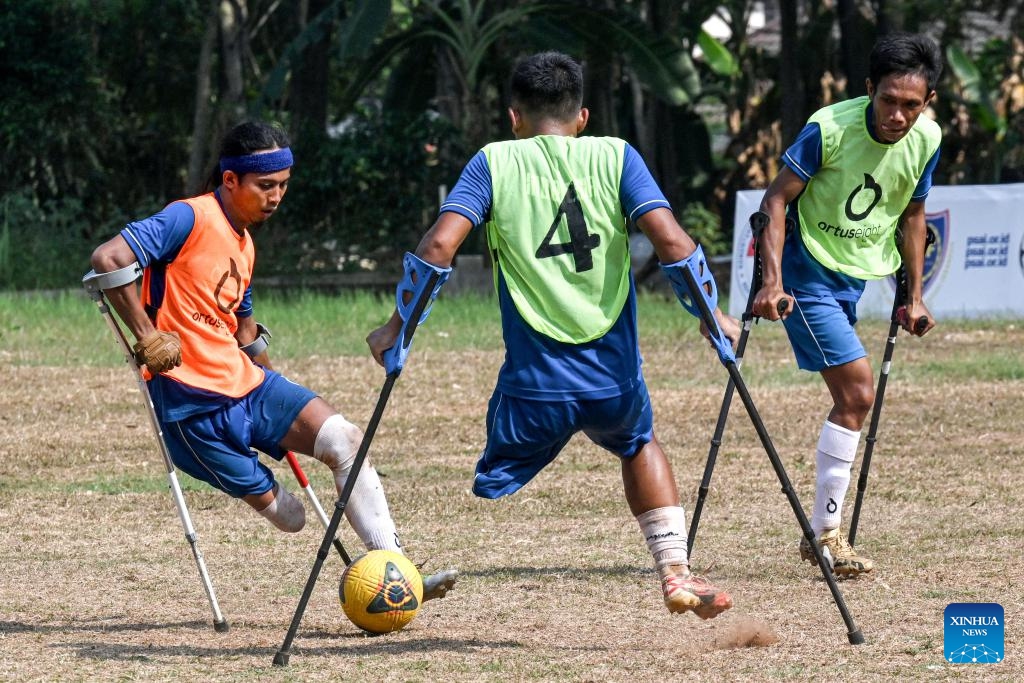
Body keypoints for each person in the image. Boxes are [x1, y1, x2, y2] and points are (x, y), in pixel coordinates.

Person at [367, 52, 739, 619]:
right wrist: (716, 321)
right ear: (583, 115)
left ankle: (409, 550)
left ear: (514, 117)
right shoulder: (617, 156)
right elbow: (673, 243)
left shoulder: (493, 162)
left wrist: (397, 331)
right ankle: (675, 572)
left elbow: (439, 247)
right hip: (613, 380)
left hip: (532, 392)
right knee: (638, 442)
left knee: (493, 476)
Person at [89, 120, 457, 601]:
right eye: (265, 186)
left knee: (345, 439)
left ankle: (397, 573)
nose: (276, 196)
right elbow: (108, 258)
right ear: (230, 181)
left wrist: (278, 381)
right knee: (293, 519)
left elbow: (243, 330)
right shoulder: (189, 217)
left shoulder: (245, 242)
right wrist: (147, 333)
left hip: (249, 385)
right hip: (191, 408)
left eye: (283, 185)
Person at [752, 32, 942, 576]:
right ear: (868, 90)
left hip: (855, 277)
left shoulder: (926, 139)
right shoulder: (829, 128)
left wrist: (916, 295)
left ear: (927, 103)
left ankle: (822, 534)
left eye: (912, 105)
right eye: (889, 101)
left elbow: (912, 214)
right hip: (806, 275)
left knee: (854, 400)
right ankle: (828, 536)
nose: (899, 116)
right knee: (858, 392)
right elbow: (776, 198)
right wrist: (772, 281)